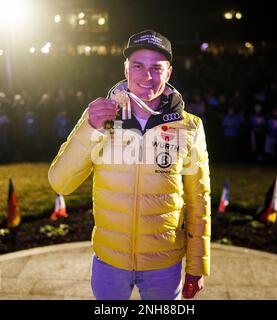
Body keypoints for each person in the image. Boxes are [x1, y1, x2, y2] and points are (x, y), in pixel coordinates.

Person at [48, 29, 211, 300]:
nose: (147, 77)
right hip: (110, 263)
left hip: (164, 265)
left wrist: (197, 266)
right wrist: (90, 128)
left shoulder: (190, 126)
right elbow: (60, 182)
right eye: (138, 66)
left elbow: (199, 201)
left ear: (168, 73)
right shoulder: (100, 117)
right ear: (126, 69)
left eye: (156, 68)